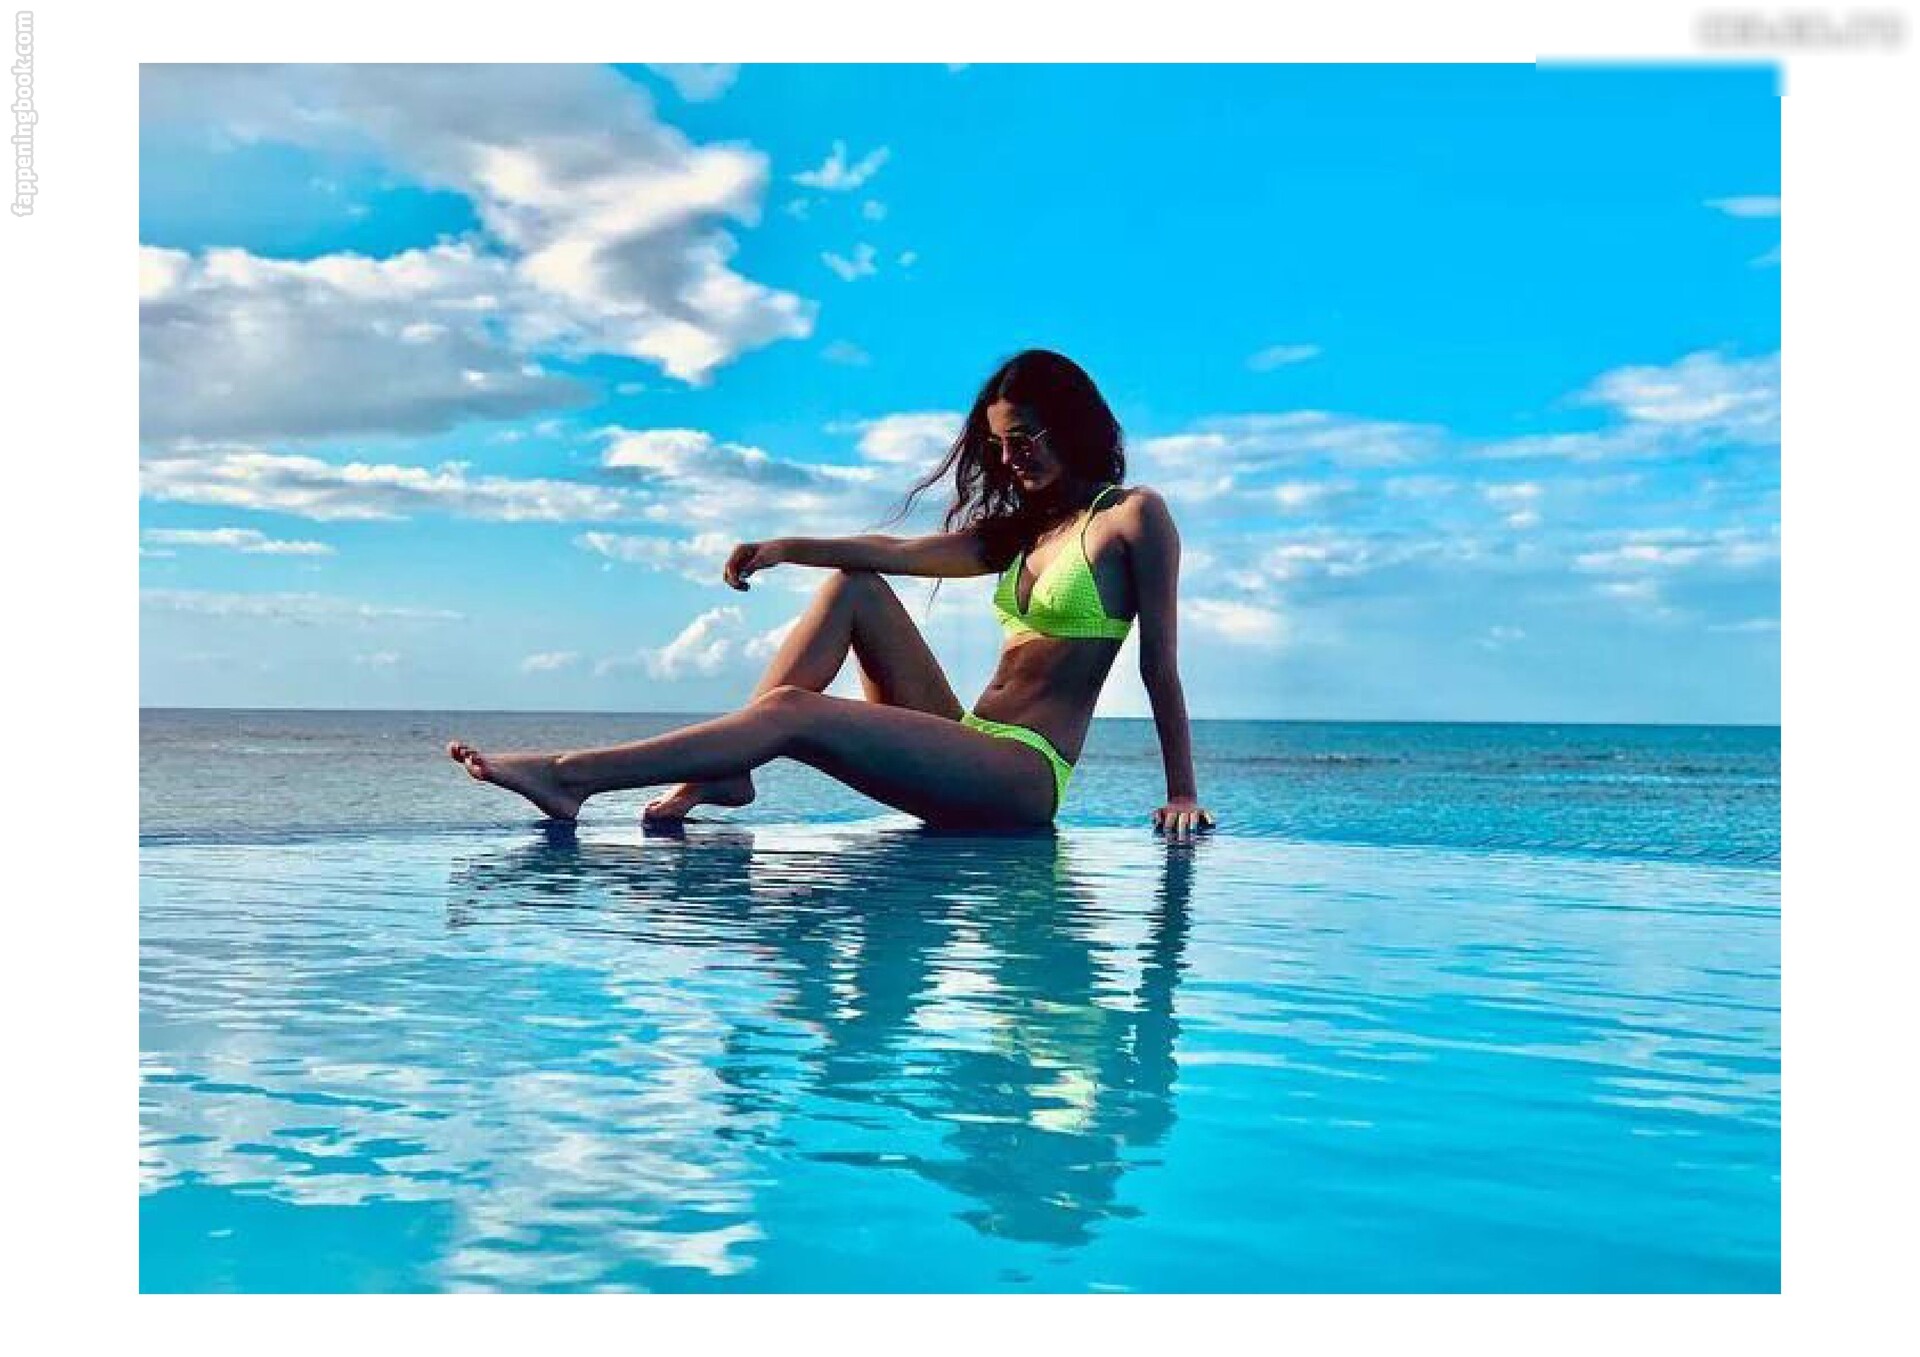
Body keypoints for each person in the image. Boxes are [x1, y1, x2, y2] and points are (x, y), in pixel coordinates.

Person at [447, 349, 1215, 834]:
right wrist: (786, 548)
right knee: (855, 587)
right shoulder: (1025, 531)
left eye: (1025, 439)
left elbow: (1160, 666)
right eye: (999, 445)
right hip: (969, 740)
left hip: (1022, 772)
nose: (1010, 459)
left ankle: (571, 775)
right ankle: (726, 770)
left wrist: (1181, 792)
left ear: (1073, 426)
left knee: (792, 712)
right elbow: (896, 552)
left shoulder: (1133, 517)